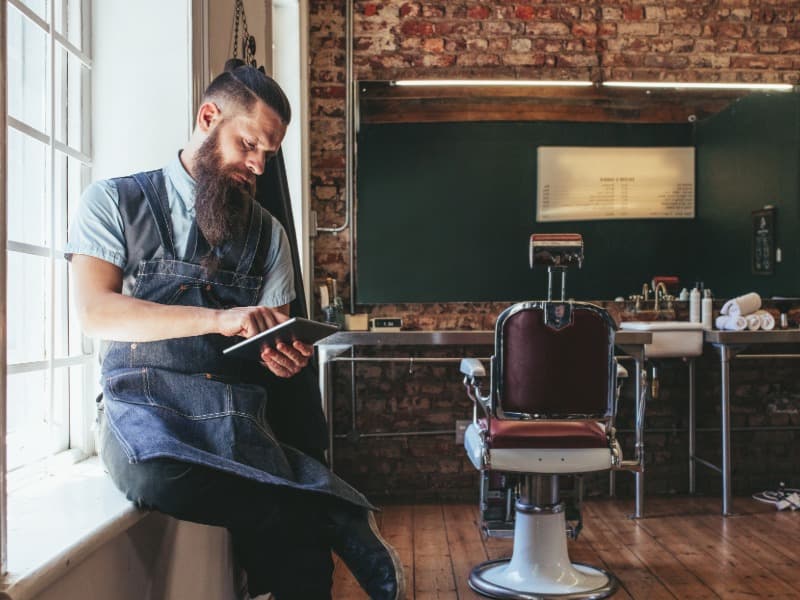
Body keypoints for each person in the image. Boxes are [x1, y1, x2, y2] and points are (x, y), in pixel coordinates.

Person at [65, 61, 404, 600]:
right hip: (142, 407)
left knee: (298, 568)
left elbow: (277, 336)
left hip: (232, 411)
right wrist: (218, 318)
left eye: (268, 155)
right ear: (208, 117)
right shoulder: (112, 201)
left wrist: (282, 356)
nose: (257, 166)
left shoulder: (268, 234)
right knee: (155, 479)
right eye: (249, 145)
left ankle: (316, 520)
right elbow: (95, 313)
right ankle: (330, 511)